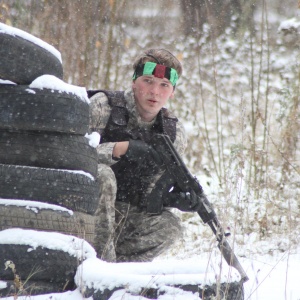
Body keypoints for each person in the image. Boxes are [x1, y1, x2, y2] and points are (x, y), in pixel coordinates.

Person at [89, 48, 200, 263]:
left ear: (173, 92)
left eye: (164, 85)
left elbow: (150, 190)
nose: (155, 92)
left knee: (170, 226)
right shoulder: (104, 106)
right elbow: (70, 156)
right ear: (133, 81)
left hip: (125, 215)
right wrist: (119, 149)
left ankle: (118, 271)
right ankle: (101, 268)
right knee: (103, 176)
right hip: (84, 208)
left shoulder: (172, 132)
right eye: (148, 81)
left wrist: (171, 198)